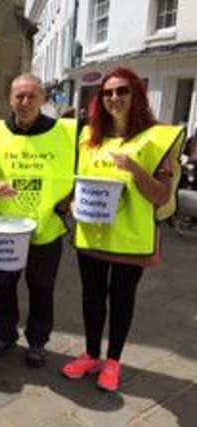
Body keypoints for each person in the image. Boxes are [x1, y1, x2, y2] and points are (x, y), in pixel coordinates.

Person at [61, 67, 184, 392]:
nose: (114, 98)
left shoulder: (154, 138)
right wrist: (73, 203)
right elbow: (78, 181)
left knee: (121, 299)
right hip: (93, 234)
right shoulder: (88, 137)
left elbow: (160, 195)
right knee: (91, 297)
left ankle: (113, 361)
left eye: (122, 91)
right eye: (108, 93)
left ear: (136, 95)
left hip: (131, 238)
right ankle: (90, 354)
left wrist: (134, 170)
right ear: (100, 99)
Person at [0, 73, 76, 367]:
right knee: (3, 286)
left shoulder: (65, 133)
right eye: (19, 96)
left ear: (43, 99)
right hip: (6, 230)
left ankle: (37, 342)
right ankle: (4, 335)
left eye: (32, 96)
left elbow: (78, 176)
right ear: (10, 99)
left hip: (47, 228)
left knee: (42, 288)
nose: (25, 102)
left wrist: (71, 201)